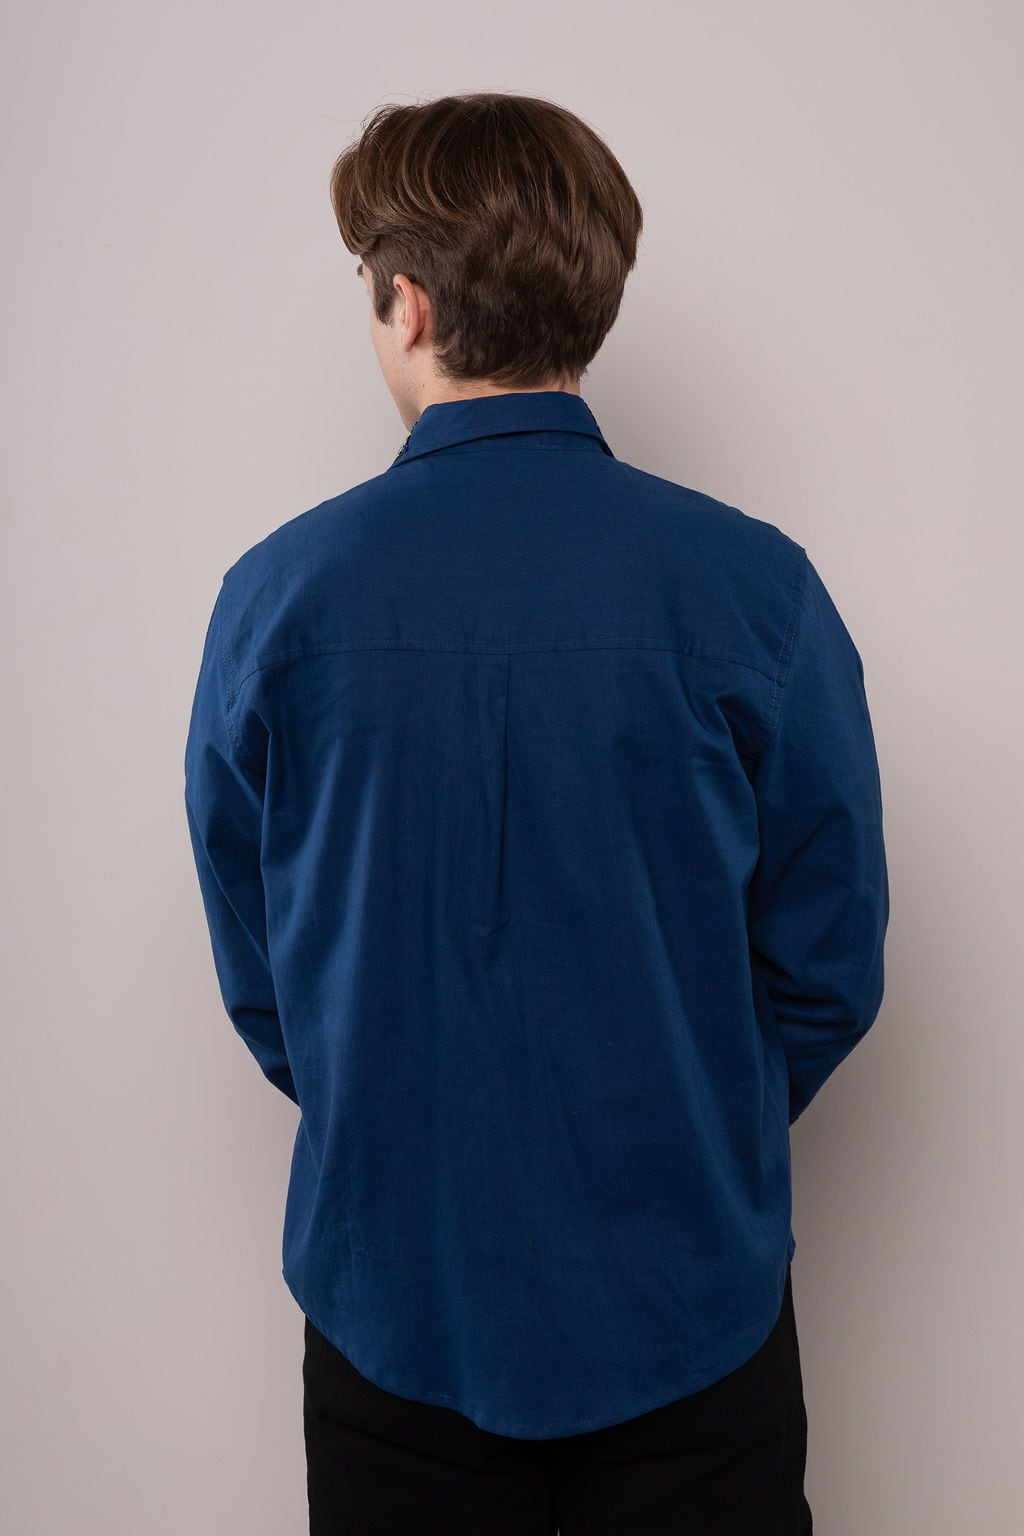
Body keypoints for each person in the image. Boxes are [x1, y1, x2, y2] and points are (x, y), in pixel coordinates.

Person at [183, 91, 889, 1535]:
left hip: (393, 1307)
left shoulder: (278, 598)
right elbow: (828, 962)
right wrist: (691, 1115)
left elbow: (264, 972)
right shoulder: (754, 587)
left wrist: (395, 1097)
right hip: (691, 1308)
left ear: (405, 304)